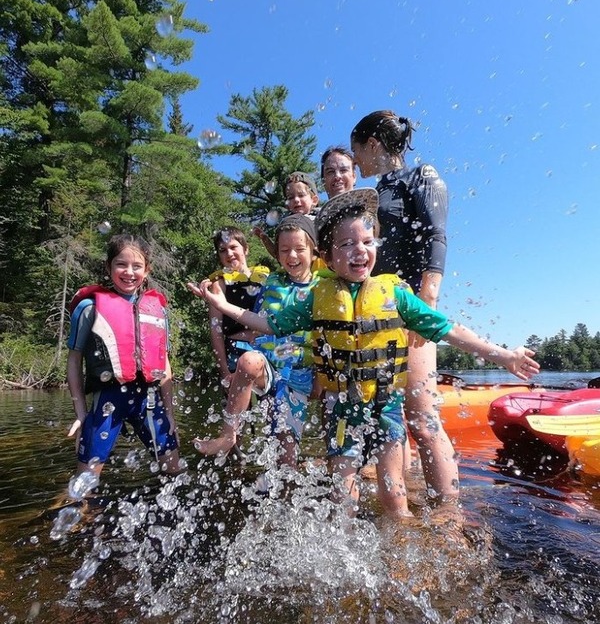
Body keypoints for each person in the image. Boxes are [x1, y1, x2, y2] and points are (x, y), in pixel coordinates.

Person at [189, 189, 540, 519]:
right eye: (348, 243)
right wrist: (223, 306)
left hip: (386, 405)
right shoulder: (317, 297)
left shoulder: (395, 294)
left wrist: (503, 356)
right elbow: (267, 324)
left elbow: (447, 329)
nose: (360, 250)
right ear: (327, 256)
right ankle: (344, 555)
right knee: (343, 490)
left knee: (394, 490)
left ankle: (401, 540)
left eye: (367, 241)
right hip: (342, 406)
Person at [350, 110, 456, 503]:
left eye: (356, 150)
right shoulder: (376, 193)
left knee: (423, 420)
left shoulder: (421, 176)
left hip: (411, 308)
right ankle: (408, 495)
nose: (355, 159)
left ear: (373, 145)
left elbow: (436, 237)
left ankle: (448, 514)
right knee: (392, 418)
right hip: (378, 313)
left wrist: (426, 303)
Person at [192, 215, 318, 470]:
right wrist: (219, 303)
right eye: (284, 250)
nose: (291, 255)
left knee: (286, 455)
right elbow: (254, 318)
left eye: (299, 249)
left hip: (298, 374)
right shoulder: (271, 282)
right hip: (264, 367)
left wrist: (323, 376)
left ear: (315, 251)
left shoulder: (322, 286)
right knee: (248, 361)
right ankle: (228, 437)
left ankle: (279, 491)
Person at [66, 234, 181, 483]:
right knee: (84, 486)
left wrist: (170, 412)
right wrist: (81, 414)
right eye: (121, 264)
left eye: (137, 266)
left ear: (147, 270)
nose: (129, 272)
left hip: (148, 401)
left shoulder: (158, 310)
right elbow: (74, 361)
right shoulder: (88, 309)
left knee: (175, 471)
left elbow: (164, 365)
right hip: (107, 401)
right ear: (109, 267)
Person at [208, 227, 270, 390]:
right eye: (223, 250)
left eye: (233, 247)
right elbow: (216, 330)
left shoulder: (266, 280)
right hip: (235, 352)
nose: (229, 254)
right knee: (238, 412)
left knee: (273, 410)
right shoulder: (219, 284)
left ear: (246, 249)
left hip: (266, 350)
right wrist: (224, 371)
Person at [253, 172, 320, 260]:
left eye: (301, 195)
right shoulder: (288, 226)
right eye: (290, 197)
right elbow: (279, 256)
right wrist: (265, 239)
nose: (296, 200)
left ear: (314, 200)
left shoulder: (321, 220)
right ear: (287, 205)